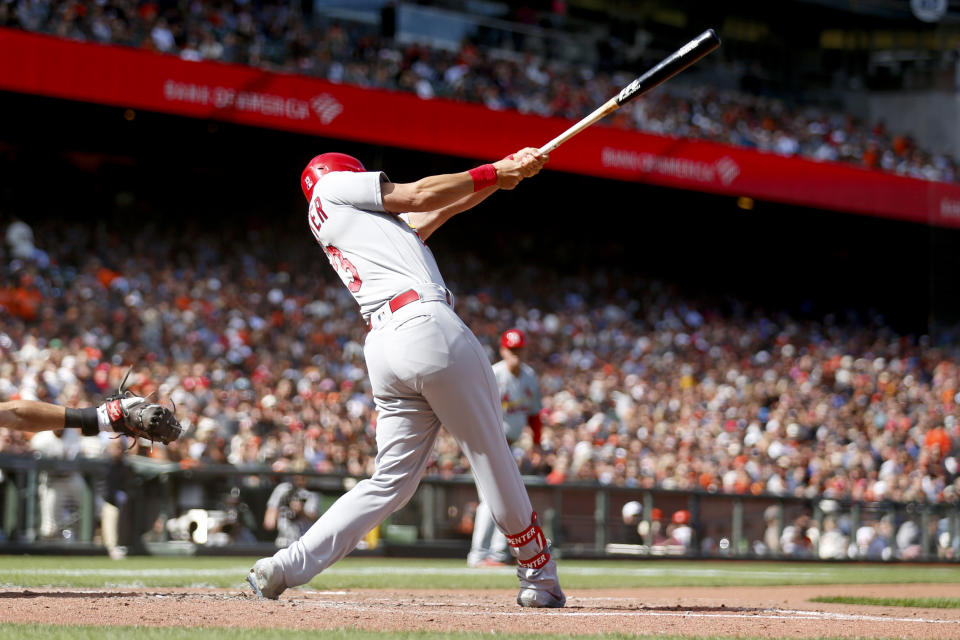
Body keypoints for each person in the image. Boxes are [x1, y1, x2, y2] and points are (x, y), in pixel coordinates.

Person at [246, 149, 566, 608]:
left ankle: (285, 565)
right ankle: (538, 574)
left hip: (385, 345)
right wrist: (494, 170)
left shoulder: (360, 229)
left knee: (389, 482)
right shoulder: (334, 187)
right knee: (491, 453)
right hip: (425, 324)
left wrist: (503, 177)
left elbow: (441, 206)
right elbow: (418, 193)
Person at [467, 327, 543, 568]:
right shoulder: (494, 374)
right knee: (490, 500)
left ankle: (498, 554)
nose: (516, 354)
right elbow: (477, 410)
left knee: (507, 500)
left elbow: (534, 415)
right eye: (511, 350)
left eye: (519, 349)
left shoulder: (530, 376)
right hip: (487, 442)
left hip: (511, 445)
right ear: (503, 350)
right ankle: (479, 554)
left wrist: (537, 445)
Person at [263, 474, 322, 548]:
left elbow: (315, 517)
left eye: (302, 477)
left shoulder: (312, 493)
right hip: (283, 540)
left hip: (304, 542)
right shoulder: (283, 489)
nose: (299, 479)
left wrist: (301, 511)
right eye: (296, 476)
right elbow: (269, 522)